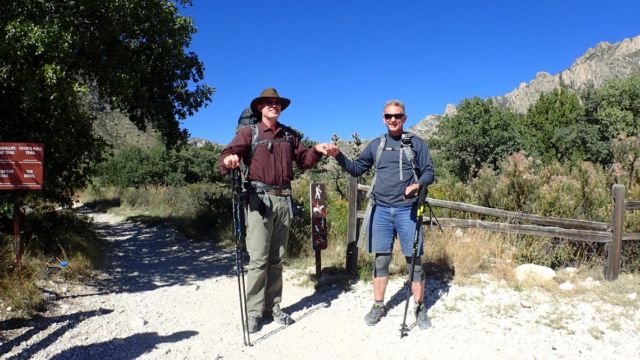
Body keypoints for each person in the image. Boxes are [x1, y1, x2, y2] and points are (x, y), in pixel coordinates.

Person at [218, 87, 332, 333]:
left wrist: (317, 150)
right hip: (260, 201)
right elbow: (228, 153)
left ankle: (273, 307)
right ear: (260, 107)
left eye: (277, 103)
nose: (273, 105)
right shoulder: (250, 132)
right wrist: (229, 160)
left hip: (284, 200)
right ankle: (254, 312)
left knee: (277, 259)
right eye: (268, 102)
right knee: (258, 259)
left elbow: (304, 161)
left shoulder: (289, 136)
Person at [326, 99, 435, 328]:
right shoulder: (377, 144)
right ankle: (378, 305)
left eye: (397, 116)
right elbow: (356, 168)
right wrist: (338, 156)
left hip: (408, 210)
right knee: (381, 260)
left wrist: (418, 185)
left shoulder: (416, 143)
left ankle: (420, 307)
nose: (393, 120)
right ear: (383, 118)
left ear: (405, 118)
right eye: (388, 116)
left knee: (414, 262)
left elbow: (428, 172)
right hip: (381, 210)